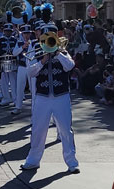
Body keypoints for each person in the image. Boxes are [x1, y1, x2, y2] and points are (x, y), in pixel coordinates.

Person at [21, 18, 79, 173]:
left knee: (66, 130)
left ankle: (72, 163)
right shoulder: (37, 52)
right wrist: (43, 60)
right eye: (46, 36)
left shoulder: (63, 52)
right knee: (38, 130)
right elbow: (30, 72)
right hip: (42, 97)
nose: (49, 39)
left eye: (52, 36)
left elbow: (70, 66)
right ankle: (33, 160)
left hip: (61, 96)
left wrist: (57, 53)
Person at [0, 23, 17, 107]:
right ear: (4, 31)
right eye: (7, 31)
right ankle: (6, 98)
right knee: (4, 82)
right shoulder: (0, 40)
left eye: (10, 31)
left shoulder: (15, 40)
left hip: (13, 63)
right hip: (3, 62)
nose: (8, 33)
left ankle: (15, 99)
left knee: (14, 82)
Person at [12, 24, 35, 115]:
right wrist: (22, 47)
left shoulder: (33, 43)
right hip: (22, 67)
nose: (26, 35)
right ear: (22, 34)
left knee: (33, 89)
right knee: (19, 88)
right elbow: (14, 53)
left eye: (28, 33)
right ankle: (18, 107)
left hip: (31, 67)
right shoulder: (19, 43)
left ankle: (34, 108)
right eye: (25, 33)